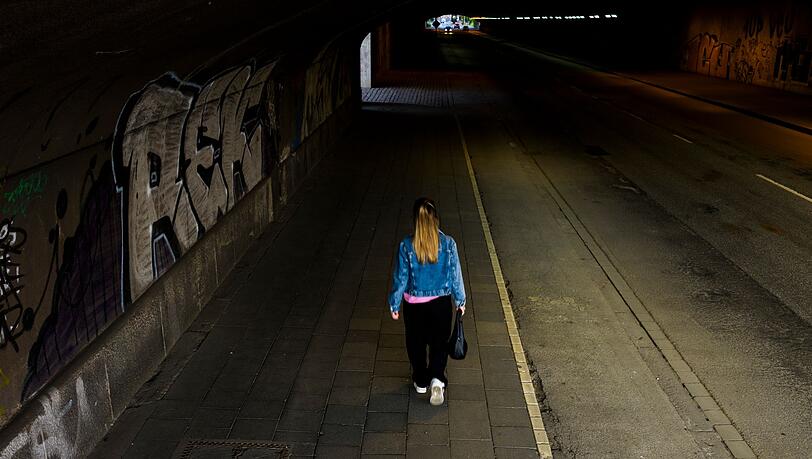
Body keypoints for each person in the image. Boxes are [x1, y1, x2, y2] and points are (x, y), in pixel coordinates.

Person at [388, 198, 466, 406]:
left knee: (416, 342)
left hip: (414, 305)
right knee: (439, 342)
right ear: (436, 219)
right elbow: (455, 274)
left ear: (415, 221)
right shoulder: (448, 244)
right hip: (441, 304)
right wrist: (460, 300)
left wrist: (394, 303)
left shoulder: (406, 245)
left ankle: (421, 380)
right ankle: (437, 379)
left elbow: (401, 278)